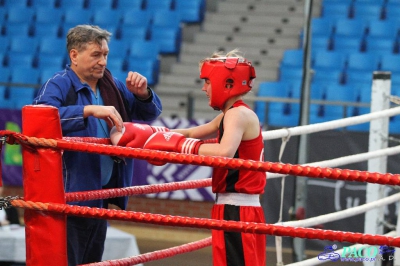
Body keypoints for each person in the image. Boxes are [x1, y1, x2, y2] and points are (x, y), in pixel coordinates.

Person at [111, 49, 266, 265]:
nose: (204, 88)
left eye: (208, 81)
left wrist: (178, 145)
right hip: (232, 207)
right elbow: (192, 133)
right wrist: (151, 135)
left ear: (226, 82)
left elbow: (224, 153)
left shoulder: (237, 115)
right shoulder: (229, 114)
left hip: (238, 210)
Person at [33, 25, 163, 265]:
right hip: (70, 196)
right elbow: (38, 119)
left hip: (101, 195)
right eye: (96, 55)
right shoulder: (58, 84)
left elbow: (149, 114)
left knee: (92, 261)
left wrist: (144, 94)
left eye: (105, 55)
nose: (103, 61)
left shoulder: (111, 85)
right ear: (74, 55)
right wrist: (87, 110)